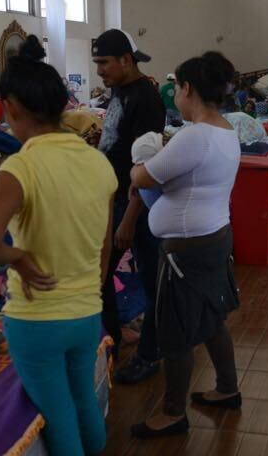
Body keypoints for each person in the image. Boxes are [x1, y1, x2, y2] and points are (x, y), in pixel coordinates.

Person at [0, 37, 116, 456]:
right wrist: (91, 288)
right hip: (86, 311)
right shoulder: (98, 161)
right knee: (83, 397)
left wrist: (17, 256)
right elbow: (105, 244)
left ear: (11, 107)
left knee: (58, 414)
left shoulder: (20, 167)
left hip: (37, 319)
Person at [129, 52, 241, 438]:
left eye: (176, 87)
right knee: (211, 318)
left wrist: (137, 164)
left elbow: (144, 177)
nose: (175, 94)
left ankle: (173, 413)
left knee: (173, 330)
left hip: (187, 249)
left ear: (188, 89)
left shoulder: (195, 136)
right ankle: (227, 388)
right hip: (214, 236)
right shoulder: (225, 130)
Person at [92, 29, 166, 383]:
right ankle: (111, 347)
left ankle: (150, 355)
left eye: (104, 63)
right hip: (115, 199)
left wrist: (129, 218)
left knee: (151, 281)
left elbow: (146, 167)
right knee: (100, 275)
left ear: (125, 60)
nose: (99, 71)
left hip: (137, 205)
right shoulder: (120, 91)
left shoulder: (146, 98)